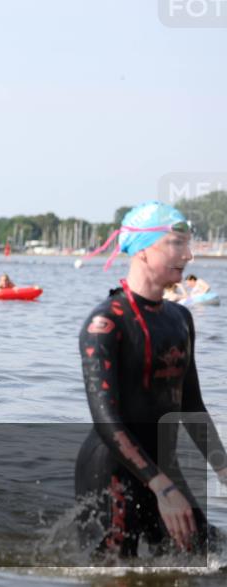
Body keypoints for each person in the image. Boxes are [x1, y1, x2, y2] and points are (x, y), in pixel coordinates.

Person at [76, 201, 227, 558]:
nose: (188, 255)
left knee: (209, 556)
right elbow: (106, 420)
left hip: (163, 467)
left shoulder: (180, 318)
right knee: (118, 573)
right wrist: (160, 486)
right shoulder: (106, 323)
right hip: (111, 470)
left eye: (187, 244)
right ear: (142, 249)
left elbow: (191, 405)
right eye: (176, 243)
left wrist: (222, 467)